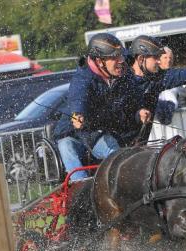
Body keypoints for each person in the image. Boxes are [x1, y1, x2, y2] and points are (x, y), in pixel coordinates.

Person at [53, 33, 148, 180]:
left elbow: (135, 99)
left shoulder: (124, 76)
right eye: (115, 57)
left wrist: (140, 110)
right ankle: (81, 188)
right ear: (99, 61)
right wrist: (78, 113)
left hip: (97, 133)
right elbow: (78, 95)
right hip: (73, 133)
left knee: (115, 151)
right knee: (66, 146)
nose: (121, 61)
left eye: (121, 56)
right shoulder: (84, 76)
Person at [155, 46, 180, 125]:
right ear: (158, 60)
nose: (169, 60)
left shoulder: (176, 74)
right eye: (165, 57)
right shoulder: (153, 76)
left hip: (177, 118)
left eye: (170, 57)